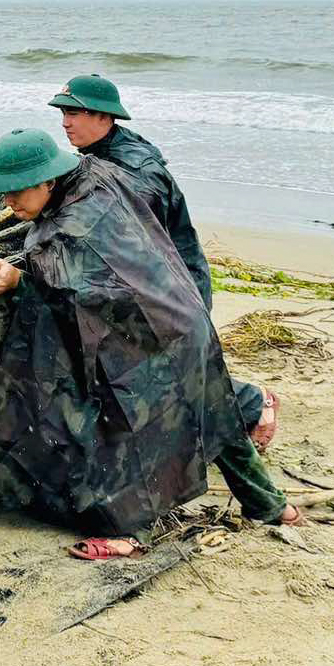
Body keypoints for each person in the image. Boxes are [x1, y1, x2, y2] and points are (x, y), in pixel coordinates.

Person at [0, 129, 302, 560]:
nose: (9, 202)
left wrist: (19, 280)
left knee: (124, 430)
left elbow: (76, 289)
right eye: (4, 192)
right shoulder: (96, 173)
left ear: (49, 181)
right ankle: (275, 509)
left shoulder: (75, 227)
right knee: (213, 414)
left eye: (17, 192)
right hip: (181, 312)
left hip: (146, 334)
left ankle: (128, 532)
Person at [51, 73, 281, 453]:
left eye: (75, 112)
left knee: (163, 365)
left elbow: (126, 238)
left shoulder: (137, 173)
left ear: (106, 117)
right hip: (145, 280)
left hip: (172, 285)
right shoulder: (101, 154)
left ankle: (255, 403)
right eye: (63, 112)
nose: (65, 122)